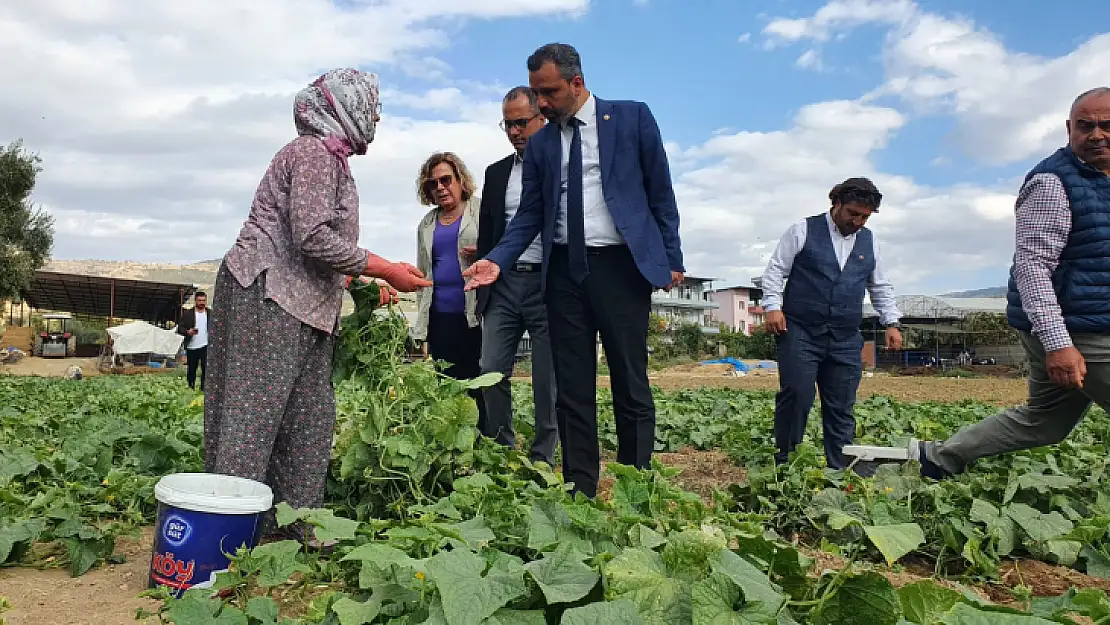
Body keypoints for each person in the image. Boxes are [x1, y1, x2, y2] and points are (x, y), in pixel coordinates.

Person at [205, 69, 430, 541]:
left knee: (309, 418)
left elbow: (317, 244)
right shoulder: (312, 152)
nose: (376, 116)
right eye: (371, 105)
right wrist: (381, 267)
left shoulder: (333, 159)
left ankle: (290, 530)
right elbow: (310, 236)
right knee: (253, 418)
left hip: (303, 303)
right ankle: (226, 539)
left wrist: (359, 280)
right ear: (343, 105)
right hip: (267, 294)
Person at [463, 43, 685, 498]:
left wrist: (673, 258)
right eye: (537, 94)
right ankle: (581, 487)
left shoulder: (632, 118)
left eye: (548, 92)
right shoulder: (544, 143)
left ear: (577, 83)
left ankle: (635, 484)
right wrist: (496, 259)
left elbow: (660, 192)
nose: (541, 103)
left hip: (622, 269)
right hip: (564, 272)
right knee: (572, 386)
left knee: (630, 378)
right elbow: (529, 214)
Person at [916, 87, 1110, 479]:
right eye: (1085, 126)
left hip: (1093, 319)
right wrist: (1058, 344)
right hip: (1073, 326)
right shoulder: (1052, 183)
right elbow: (1032, 267)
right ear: (1069, 129)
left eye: (1107, 126)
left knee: (1046, 421)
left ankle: (938, 458)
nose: (1096, 135)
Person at [761, 177, 903, 469]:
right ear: (835, 204)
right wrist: (773, 306)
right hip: (799, 330)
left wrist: (891, 322)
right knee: (797, 395)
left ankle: (841, 471)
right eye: (853, 213)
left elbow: (880, 286)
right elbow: (775, 271)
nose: (858, 221)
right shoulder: (803, 230)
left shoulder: (869, 241)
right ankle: (786, 464)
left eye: (865, 216)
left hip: (844, 337)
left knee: (841, 405)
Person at [474, 86, 558, 464]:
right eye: (507, 125)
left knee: (548, 379)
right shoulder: (496, 174)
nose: (514, 132)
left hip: (547, 283)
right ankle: (501, 449)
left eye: (521, 123)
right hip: (503, 285)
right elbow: (492, 231)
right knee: (491, 369)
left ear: (542, 116)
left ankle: (543, 458)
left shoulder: (561, 165)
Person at [412, 152, 489, 429]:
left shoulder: (481, 211)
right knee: (446, 382)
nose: (441, 187)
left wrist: (484, 252)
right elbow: (423, 271)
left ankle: (483, 441)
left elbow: (502, 251)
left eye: (446, 180)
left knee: (478, 380)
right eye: (433, 184)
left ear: (460, 180)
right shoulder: (427, 224)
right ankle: (452, 445)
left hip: (475, 314)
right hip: (440, 316)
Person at [177, 291, 210, 391]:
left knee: (206, 369)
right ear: (195, 301)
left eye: (203, 300)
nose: (201, 302)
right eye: (199, 300)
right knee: (192, 369)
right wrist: (188, 331)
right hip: (192, 346)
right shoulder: (188, 314)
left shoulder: (210, 313)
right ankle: (190, 388)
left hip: (206, 345)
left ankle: (203, 389)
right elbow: (180, 328)